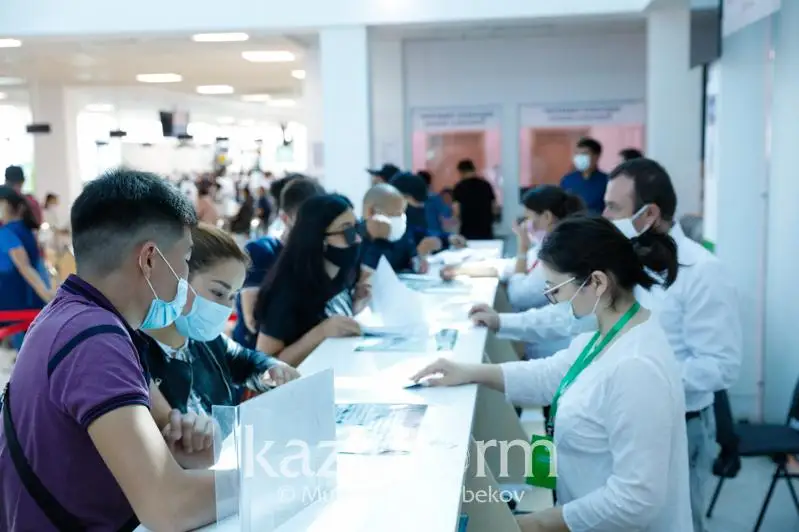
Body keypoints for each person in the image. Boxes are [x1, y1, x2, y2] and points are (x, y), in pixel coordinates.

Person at [472, 158, 741, 532]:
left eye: (613, 206)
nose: (605, 213)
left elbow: (720, 366)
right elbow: (564, 348)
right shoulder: (616, 298)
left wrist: (626, 386)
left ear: (649, 213)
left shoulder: (697, 277)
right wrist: (482, 357)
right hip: (616, 428)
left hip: (671, 417)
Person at [413, 215, 692, 532]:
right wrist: (466, 371)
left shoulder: (636, 367)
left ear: (598, 282)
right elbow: (551, 376)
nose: (555, 301)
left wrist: (532, 524)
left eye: (556, 290)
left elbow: (636, 499)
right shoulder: (609, 333)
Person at [0, 169, 236, 531]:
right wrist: (275, 478)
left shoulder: (68, 316)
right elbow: (169, 506)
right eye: (186, 260)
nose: (187, 280)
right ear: (150, 259)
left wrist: (171, 454)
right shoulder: (94, 340)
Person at [145, 223, 300, 418]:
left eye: (232, 296)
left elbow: (248, 361)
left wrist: (273, 369)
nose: (226, 308)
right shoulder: (134, 356)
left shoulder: (208, 341)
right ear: (178, 278)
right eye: (218, 292)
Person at [254, 193, 364, 367]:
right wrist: (321, 333)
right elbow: (264, 369)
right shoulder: (286, 291)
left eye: (358, 228)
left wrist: (358, 302)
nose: (357, 238)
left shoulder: (342, 275)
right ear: (318, 238)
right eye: (347, 231)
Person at [232, 177, 325, 349]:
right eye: (307, 219)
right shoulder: (261, 251)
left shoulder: (318, 253)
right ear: (285, 218)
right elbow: (253, 321)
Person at [0, 186, 52, 350]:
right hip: (26, 299)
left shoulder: (7, 232)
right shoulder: (26, 230)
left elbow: (25, 268)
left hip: (13, 301)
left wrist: (50, 297)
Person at [390, 172, 466, 256]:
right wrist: (417, 254)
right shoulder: (386, 228)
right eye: (416, 203)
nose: (421, 208)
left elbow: (422, 233)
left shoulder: (409, 226)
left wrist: (448, 238)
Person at [358, 183, 426, 274]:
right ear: (372, 212)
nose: (399, 220)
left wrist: (419, 263)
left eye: (401, 214)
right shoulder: (352, 238)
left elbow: (413, 258)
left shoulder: (402, 234)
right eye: (394, 214)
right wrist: (380, 242)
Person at [451, 159, 498, 240]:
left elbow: (456, 210)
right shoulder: (486, 185)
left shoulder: (459, 187)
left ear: (461, 172)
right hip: (485, 229)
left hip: (467, 229)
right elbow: (494, 207)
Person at [560, 137, 608, 215]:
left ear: (596, 156)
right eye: (577, 153)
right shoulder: (567, 180)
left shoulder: (606, 181)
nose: (580, 157)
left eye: (584, 154)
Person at [418, 170, 452, 235]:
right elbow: (447, 214)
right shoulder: (435, 198)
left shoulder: (413, 199)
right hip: (435, 234)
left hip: (424, 235)